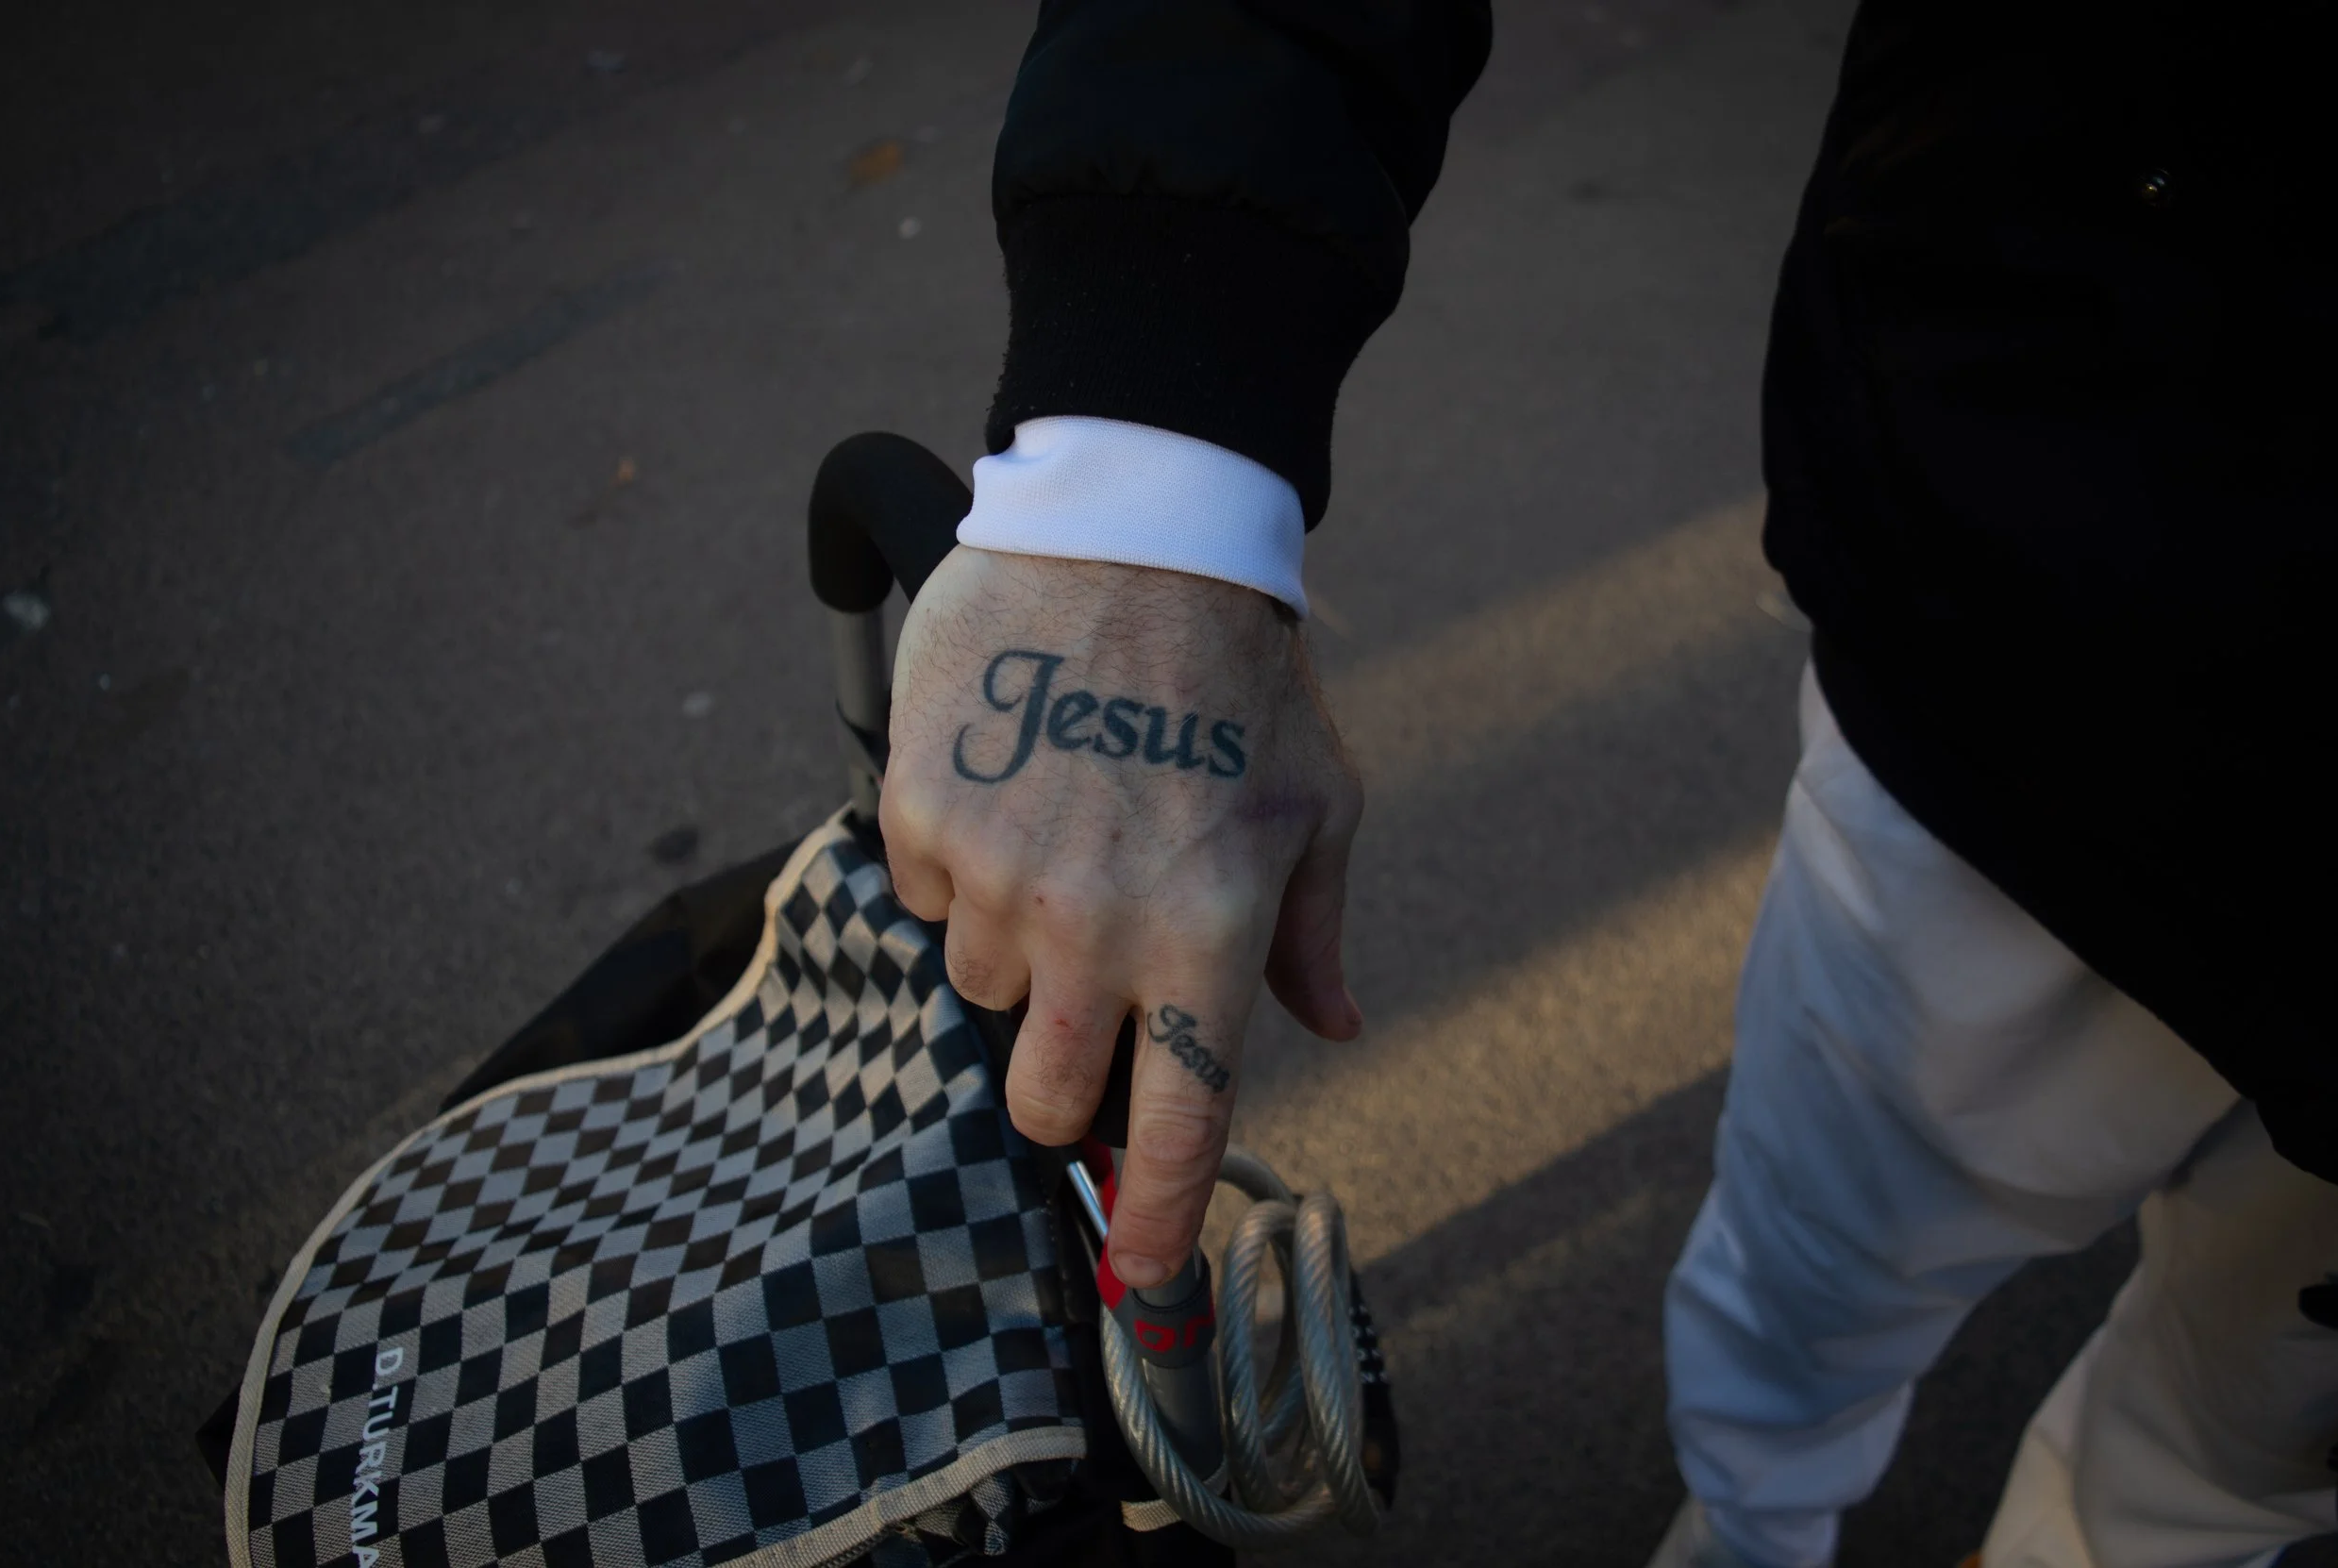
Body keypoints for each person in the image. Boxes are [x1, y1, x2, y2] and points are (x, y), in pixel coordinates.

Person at [875, 3, 2338, 1564]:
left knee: (2242, 1445)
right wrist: (1139, 486)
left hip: (2040, 580)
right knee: (1819, 1266)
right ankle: (1749, 1524)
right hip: (2039, 658)